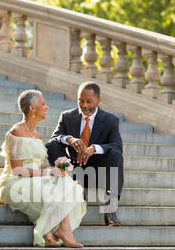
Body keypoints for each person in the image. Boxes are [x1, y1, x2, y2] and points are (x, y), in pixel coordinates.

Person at [0, 90, 86, 248]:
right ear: (32, 108)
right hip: (15, 182)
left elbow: (37, 169)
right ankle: (52, 232)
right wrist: (48, 172)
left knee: (64, 181)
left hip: (32, 179)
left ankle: (61, 229)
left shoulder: (37, 136)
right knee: (51, 186)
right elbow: (17, 170)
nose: (46, 107)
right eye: (43, 104)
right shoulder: (16, 131)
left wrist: (57, 170)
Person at [45, 81, 124, 226]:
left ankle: (110, 209)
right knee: (52, 145)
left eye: (89, 101)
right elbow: (54, 138)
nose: (85, 105)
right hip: (73, 171)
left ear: (98, 100)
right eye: (81, 100)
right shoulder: (67, 116)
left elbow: (117, 146)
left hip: (97, 173)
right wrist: (69, 139)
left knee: (116, 154)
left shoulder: (111, 120)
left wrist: (93, 148)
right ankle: (64, 184)